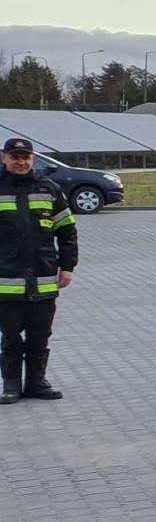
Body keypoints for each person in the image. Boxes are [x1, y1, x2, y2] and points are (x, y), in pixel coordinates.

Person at [0, 138, 76, 404]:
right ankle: (11, 385)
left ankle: (36, 383)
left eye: (25, 157)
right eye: (14, 157)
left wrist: (67, 267)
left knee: (39, 336)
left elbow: (67, 232)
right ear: (4, 158)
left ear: (32, 159)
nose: (20, 162)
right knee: (10, 337)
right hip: (5, 282)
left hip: (43, 280)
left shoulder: (50, 189)